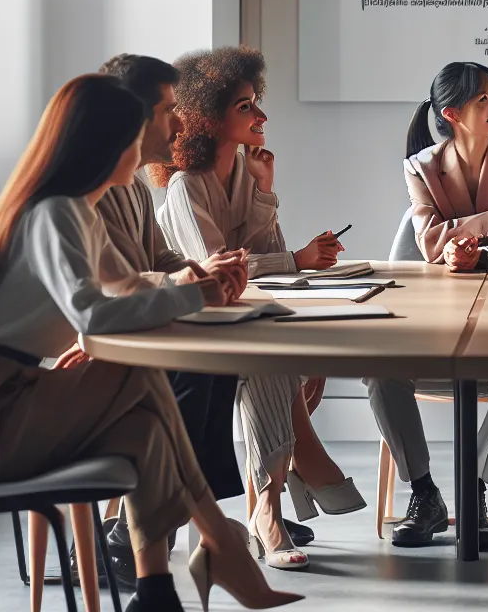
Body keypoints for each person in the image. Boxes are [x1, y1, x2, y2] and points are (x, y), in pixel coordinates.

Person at [0, 74, 301, 612]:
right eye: (139, 133)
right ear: (107, 141)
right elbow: (92, 313)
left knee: (145, 423)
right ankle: (219, 543)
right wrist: (196, 294)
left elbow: (128, 285)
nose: (155, 144)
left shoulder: (78, 211)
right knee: (142, 380)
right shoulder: (54, 213)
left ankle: (158, 596)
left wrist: (200, 280)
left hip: (15, 390)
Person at [92, 53, 321, 587]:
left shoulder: (130, 185)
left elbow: (160, 258)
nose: (179, 123)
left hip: (142, 332)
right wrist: (188, 280)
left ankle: (175, 518)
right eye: (168, 110)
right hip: (106, 348)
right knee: (212, 368)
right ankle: (157, 525)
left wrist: (199, 272)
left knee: (223, 364)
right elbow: (106, 287)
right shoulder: (97, 189)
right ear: (134, 116)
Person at [155, 45, 366, 570]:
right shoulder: (185, 188)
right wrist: (296, 259)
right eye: (245, 106)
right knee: (272, 361)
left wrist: (264, 191)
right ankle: (274, 505)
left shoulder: (245, 175)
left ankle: (275, 498)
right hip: (189, 330)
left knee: (284, 357)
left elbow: (268, 258)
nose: (262, 116)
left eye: (256, 102)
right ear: (207, 117)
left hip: (234, 319)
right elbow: (215, 269)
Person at [370, 62, 488, 551]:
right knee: (380, 373)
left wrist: (480, 255)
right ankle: (424, 494)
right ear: (451, 113)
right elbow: (431, 243)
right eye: (483, 99)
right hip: (433, 316)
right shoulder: (420, 167)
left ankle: (476, 491)